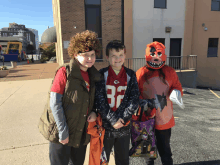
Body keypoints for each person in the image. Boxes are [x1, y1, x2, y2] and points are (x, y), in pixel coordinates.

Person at [38, 30, 102, 165]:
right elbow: (55, 103)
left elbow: (93, 101)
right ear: (75, 54)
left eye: (92, 55)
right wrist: (63, 131)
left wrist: (94, 111)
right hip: (61, 133)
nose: (90, 58)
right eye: (85, 55)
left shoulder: (93, 75)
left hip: (80, 133)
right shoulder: (64, 72)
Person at [136, 41, 184, 165]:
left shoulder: (170, 72)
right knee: (148, 152)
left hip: (164, 119)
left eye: (159, 54)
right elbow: (135, 93)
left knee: (165, 151)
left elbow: (177, 86)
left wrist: (176, 92)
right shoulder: (140, 73)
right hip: (146, 119)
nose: (156, 58)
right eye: (152, 55)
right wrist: (142, 102)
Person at [94, 40, 139, 165]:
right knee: (102, 159)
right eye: (114, 56)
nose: (118, 59)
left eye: (120, 55)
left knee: (123, 160)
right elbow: (99, 99)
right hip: (105, 127)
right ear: (107, 57)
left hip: (124, 127)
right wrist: (112, 119)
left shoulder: (131, 74)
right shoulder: (101, 74)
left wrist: (122, 118)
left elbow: (134, 99)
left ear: (125, 56)